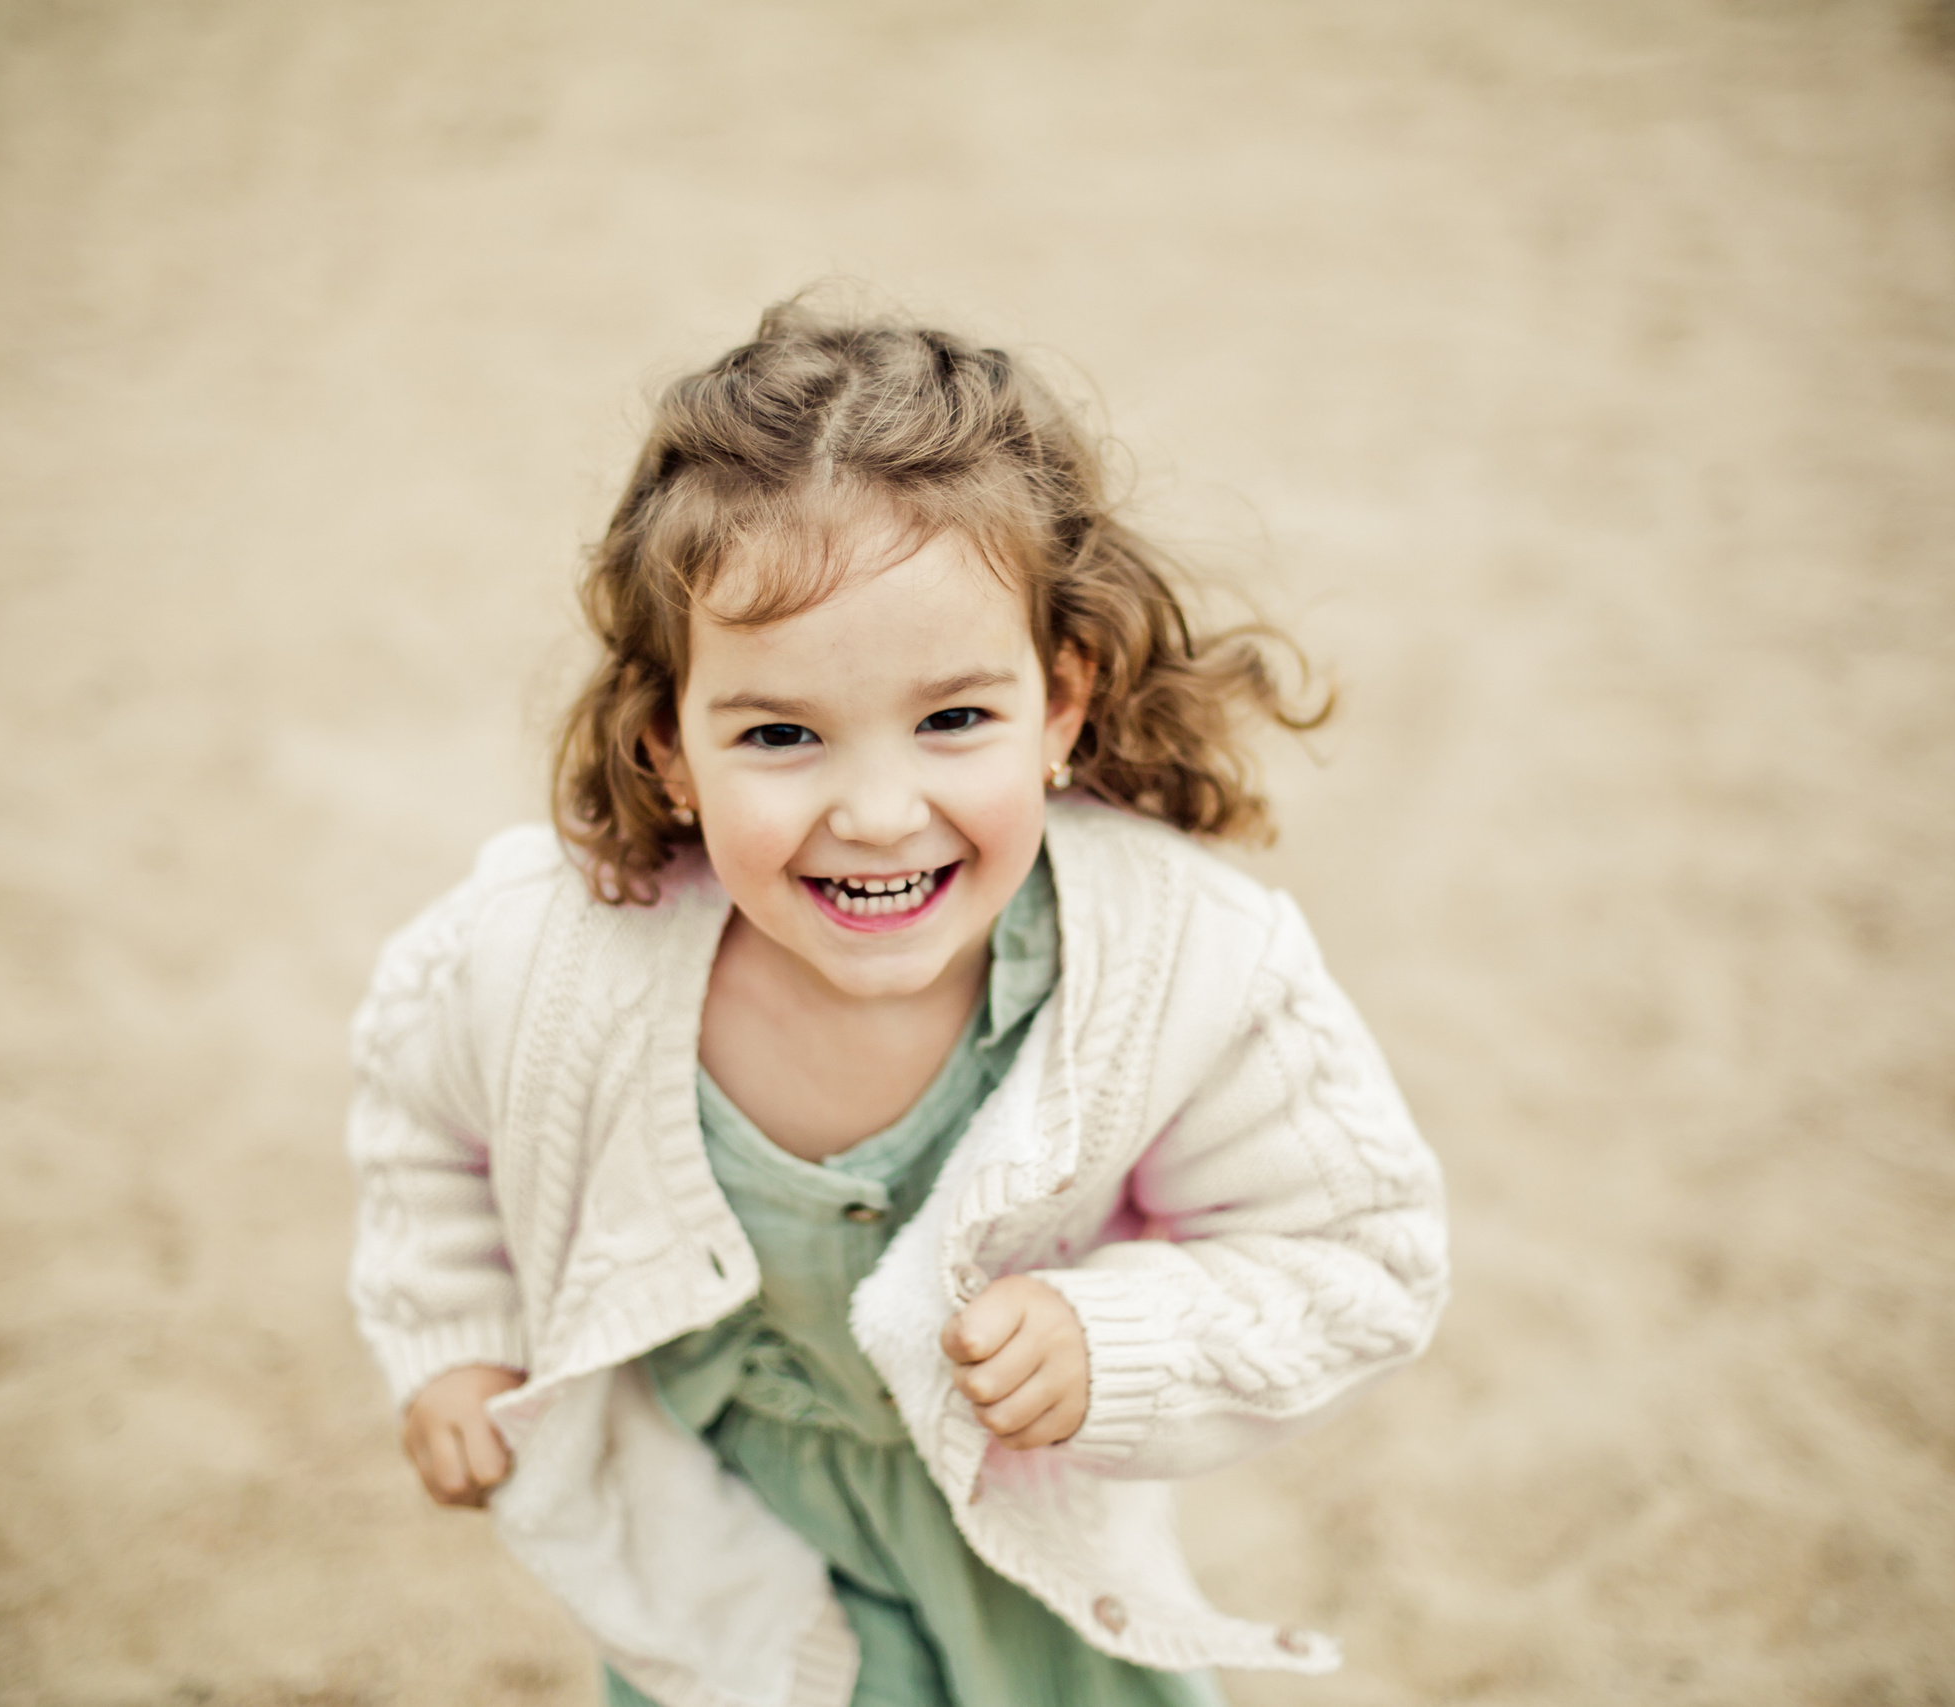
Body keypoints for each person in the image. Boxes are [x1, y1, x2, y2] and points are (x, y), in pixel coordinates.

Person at [345, 299, 1449, 1707]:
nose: (877, 812)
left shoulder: (1184, 966)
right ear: (667, 748)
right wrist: (455, 1343)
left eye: (952, 720)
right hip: (721, 1566)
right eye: (781, 735)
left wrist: (1116, 1339)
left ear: (1059, 705)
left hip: (1031, 1575)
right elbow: (426, 1122)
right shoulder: (543, 957)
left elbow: (1359, 1250)